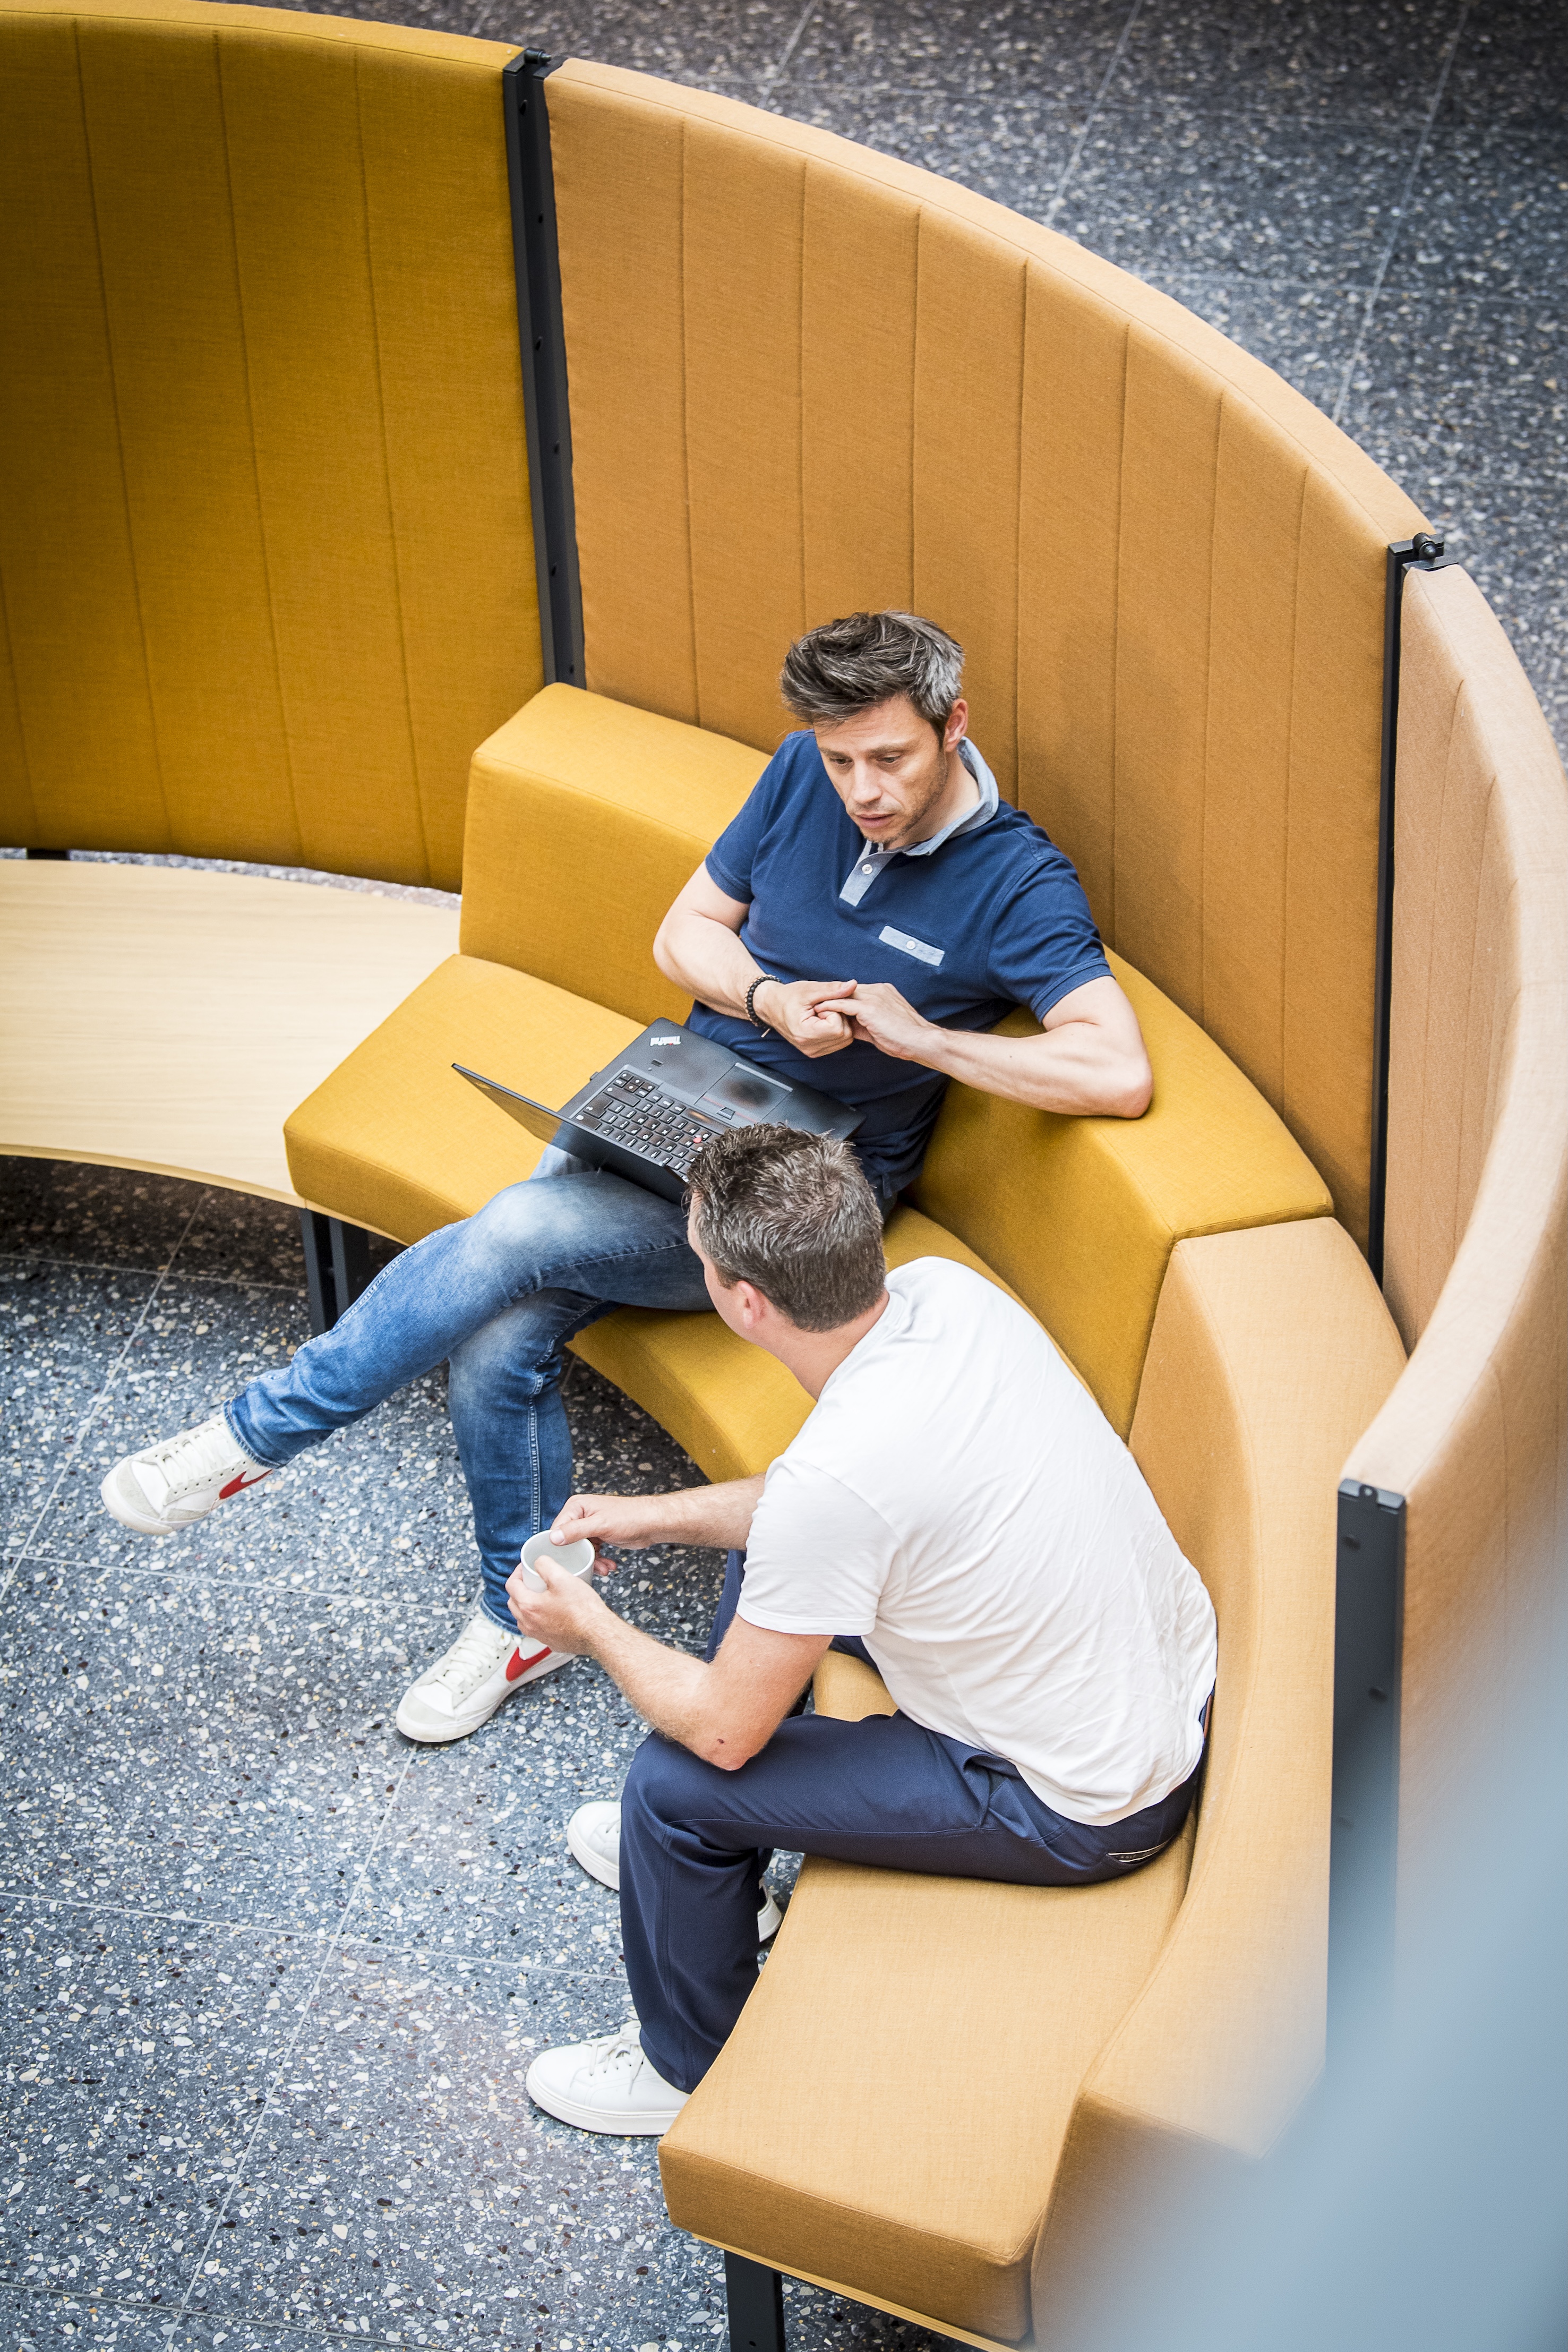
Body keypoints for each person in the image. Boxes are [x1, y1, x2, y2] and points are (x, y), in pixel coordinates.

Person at [99, 610, 1153, 1744]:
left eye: (888, 758)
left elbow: (1116, 1069)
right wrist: (763, 999)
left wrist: (921, 1039)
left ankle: (252, 1438)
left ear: (954, 727)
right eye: (841, 759)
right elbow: (686, 931)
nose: (861, 790)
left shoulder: (1018, 879)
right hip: (675, 1099)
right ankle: (526, 1618)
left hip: (788, 1192)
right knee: (500, 1336)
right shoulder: (803, 773)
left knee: (510, 1236)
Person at [516, 1123, 1217, 2134]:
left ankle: (686, 2070)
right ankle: (728, 1896)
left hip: (1080, 1805)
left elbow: (723, 1731)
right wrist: (656, 1511)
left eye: (704, 1260)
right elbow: (818, 1510)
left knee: (671, 1789)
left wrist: (590, 1626)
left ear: (743, 1301)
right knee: (765, 1567)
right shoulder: (948, 1297)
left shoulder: (838, 1484)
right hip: (1144, 1679)